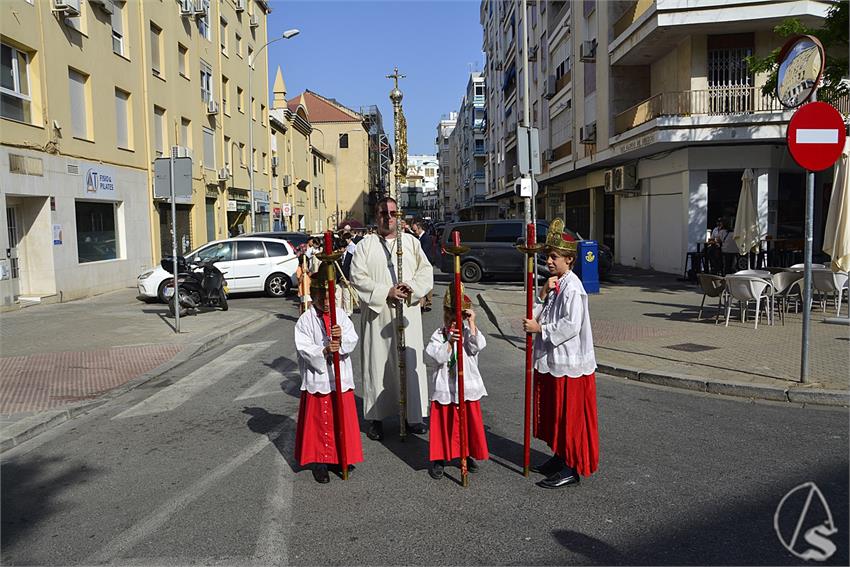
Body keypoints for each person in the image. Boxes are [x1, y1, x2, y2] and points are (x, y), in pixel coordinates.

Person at [521, 219, 599, 489]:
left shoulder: (573, 287)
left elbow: (570, 324)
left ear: (569, 259)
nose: (549, 261)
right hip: (555, 360)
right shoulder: (557, 284)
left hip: (570, 362)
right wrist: (542, 295)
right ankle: (559, 455)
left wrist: (540, 328)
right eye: (547, 256)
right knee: (556, 412)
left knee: (569, 414)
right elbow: (542, 311)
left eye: (554, 257)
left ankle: (571, 467)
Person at [350, 197, 434, 440]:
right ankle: (376, 417)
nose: (388, 217)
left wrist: (410, 288)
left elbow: (426, 271)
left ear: (399, 216)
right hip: (378, 315)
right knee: (378, 365)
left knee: (411, 363)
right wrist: (386, 291)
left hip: (406, 313)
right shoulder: (365, 245)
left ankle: (413, 417)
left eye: (393, 213)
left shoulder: (410, 243)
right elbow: (357, 276)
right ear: (376, 216)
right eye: (383, 213)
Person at [293, 264, 363, 484]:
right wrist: (323, 350)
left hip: (340, 377)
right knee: (320, 421)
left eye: (328, 297)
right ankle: (321, 461)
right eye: (320, 297)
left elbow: (353, 339)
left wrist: (341, 338)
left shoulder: (340, 315)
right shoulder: (305, 320)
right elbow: (302, 347)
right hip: (319, 378)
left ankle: (339, 458)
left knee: (340, 419)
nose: (325, 302)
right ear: (313, 296)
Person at [424, 287, 489, 480]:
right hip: (445, 387)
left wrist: (472, 322)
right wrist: (450, 342)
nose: (454, 319)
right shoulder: (439, 334)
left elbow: (478, 346)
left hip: (466, 386)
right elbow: (435, 356)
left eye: (458, 314)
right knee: (444, 422)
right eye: (450, 314)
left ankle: (465, 453)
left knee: (466, 422)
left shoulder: (468, 330)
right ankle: (439, 458)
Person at [411, 219, 435, 311]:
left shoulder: (426, 238)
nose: (414, 232)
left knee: (426, 282)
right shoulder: (418, 237)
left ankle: (427, 303)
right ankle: (423, 303)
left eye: (415, 230)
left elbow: (423, 252)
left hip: (427, 263)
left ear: (420, 228)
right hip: (420, 264)